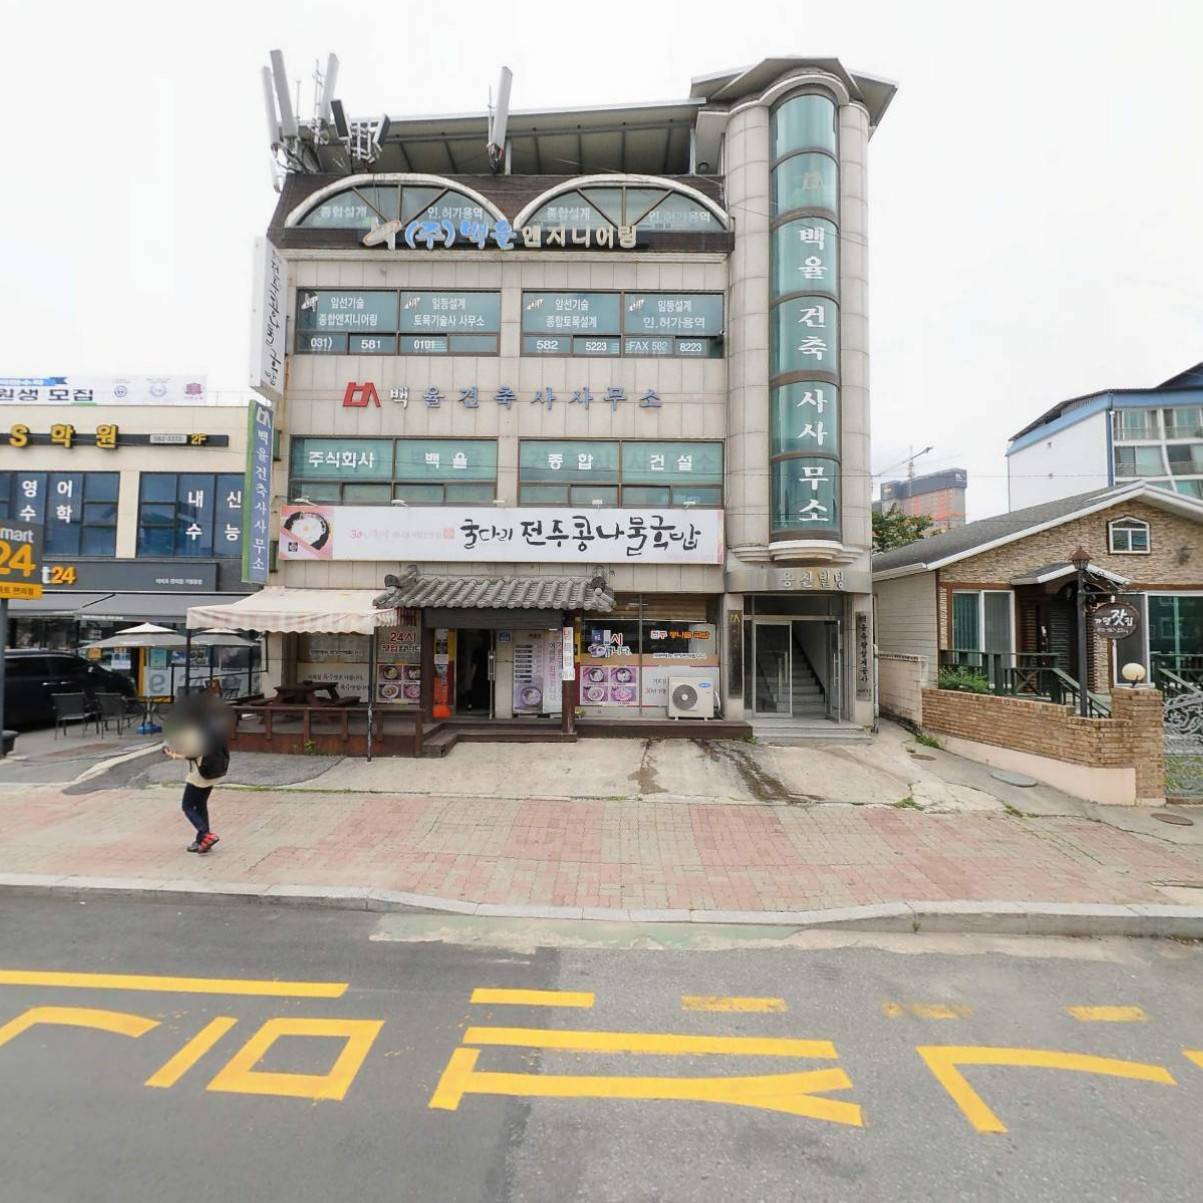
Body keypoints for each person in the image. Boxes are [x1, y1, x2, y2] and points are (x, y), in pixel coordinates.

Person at [163, 693, 230, 854]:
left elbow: (192, 752)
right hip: (214, 770)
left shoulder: (192, 729)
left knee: (187, 806)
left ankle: (205, 834)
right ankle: (202, 840)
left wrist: (173, 755)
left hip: (199, 773)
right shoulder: (211, 724)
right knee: (200, 804)